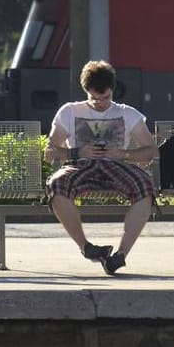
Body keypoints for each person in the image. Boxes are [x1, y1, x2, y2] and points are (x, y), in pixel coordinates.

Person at [44, 59, 159, 275]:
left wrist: (124, 154)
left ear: (112, 90)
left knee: (145, 185)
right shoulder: (69, 112)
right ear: (85, 91)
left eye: (105, 97)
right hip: (80, 164)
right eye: (94, 98)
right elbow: (49, 153)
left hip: (116, 164)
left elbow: (151, 151)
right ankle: (86, 248)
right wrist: (77, 152)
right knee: (57, 184)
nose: (100, 103)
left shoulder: (128, 114)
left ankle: (120, 256)